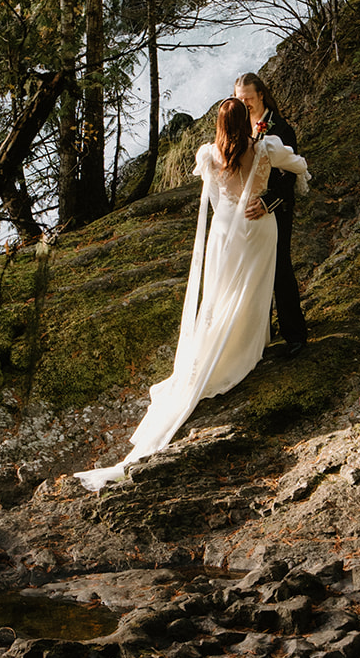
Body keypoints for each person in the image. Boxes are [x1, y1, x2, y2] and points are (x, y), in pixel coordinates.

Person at [74, 97, 310, 492]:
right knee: (253, 290)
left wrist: (233, 212)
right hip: (258, 228)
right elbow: (299, 167)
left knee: (221, 294)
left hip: (225, 233)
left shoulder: (208, 154)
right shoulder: (266, 147)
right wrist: (268, 199)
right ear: (246, 122)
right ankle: (249, 348)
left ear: (219, 126)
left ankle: (226, 347)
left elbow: (217, 202)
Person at [234, 72, 309, 358]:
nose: (244, 104)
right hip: (248, 213)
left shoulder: (281, 128)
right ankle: (261, 333)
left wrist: (267, 202)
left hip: (276, 208)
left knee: (280, 267)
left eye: (248, 99)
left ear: (261, 95)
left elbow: (288, 174)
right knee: (253, 270)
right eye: (239, 100)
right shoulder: (240, 124)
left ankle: (295, 333)